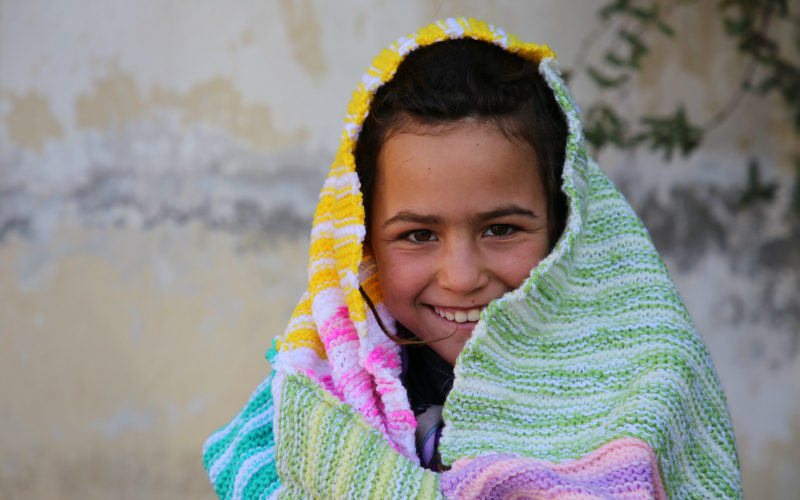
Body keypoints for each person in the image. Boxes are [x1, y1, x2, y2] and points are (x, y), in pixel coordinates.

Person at [203, 18, 743, 500]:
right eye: (417, 235)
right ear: (363, 242)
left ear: (566, 226)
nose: (461, 278)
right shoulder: (320, 395)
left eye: (502, 229)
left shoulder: (648, 381)